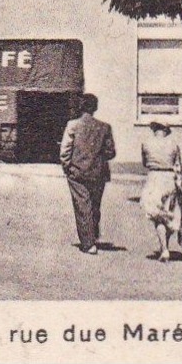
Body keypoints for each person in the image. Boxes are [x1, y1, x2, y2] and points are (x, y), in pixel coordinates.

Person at [59, 93, 116, 254]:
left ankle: (88, 243)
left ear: (80, 107)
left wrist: (67, 167)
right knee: (95, 205)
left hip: (77, 172)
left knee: (82, 205)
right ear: (95, 108)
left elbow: (65, 150)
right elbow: (111, 152)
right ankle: (93, 235)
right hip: (98, 173)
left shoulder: (73, 125)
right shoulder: (105, 127)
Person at [139, 120, 182, 261]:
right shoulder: (173, 145)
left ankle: (164, 249)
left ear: (154, 130)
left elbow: (145, 163)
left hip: (154, 178)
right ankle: (165, 245)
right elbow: (178, 165)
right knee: (169, 213)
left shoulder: (146, 144)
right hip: (170, 178)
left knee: (156, 215)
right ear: (166, 131)